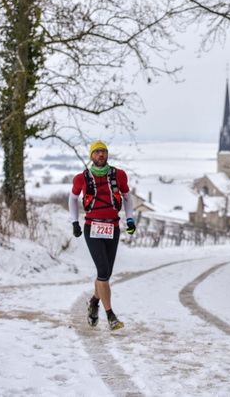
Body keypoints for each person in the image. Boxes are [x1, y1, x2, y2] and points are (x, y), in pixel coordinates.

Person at [68, 140, 136, 331]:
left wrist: (130, 219)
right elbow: (72, 199)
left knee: (104, 273)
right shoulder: (81, 178)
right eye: (97, 152)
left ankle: (94, 303)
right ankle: (110, 315)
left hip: (112, 227)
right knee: (104, 273)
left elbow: (127, 197)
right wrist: (74, 222)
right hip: (92, 228)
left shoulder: (119, 175)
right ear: (91, 156)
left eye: (103, 152)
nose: (101, 155)